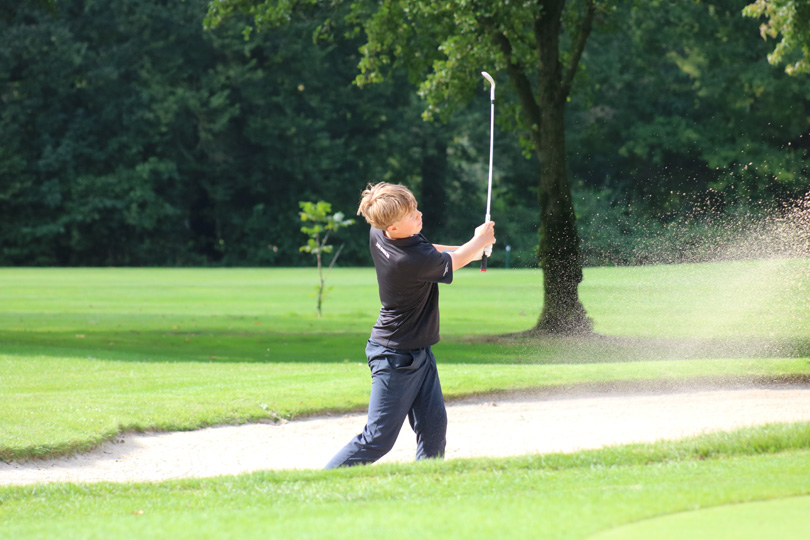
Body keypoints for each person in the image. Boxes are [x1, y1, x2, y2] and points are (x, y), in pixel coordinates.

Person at [325, 182, 496, 469]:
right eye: (410, 214)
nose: (418, 214)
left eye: (415, 207)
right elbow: (447, 262)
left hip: (417, 349)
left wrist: (473, 249)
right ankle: (323, 482)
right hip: (394, 357)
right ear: (393, 227)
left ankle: (426, 487)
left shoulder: (379, 231)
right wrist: (477, 242)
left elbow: (431, 253)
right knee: (377, 439)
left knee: (433, 428)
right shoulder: (407, 260)